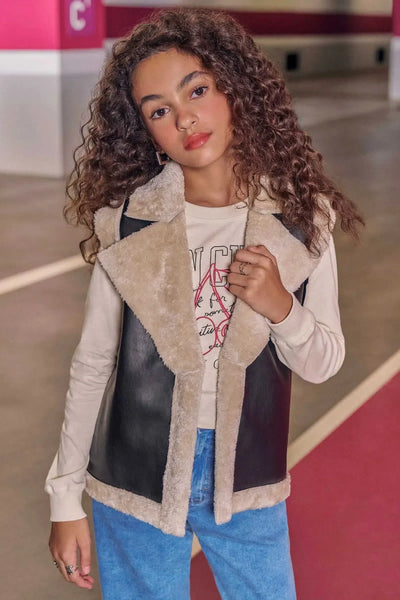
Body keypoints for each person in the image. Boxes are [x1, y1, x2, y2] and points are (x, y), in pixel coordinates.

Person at [45, 7, 363, 599]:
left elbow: (323, 362)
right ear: (145, 130)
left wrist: (281, 307)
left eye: (197, 90)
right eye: (158, 110)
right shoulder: (129, 224)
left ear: (233, 88)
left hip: (246, 477)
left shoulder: (301, 218)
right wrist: (65, 500)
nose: (184, 118)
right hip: (134, 478)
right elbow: (93, 364)